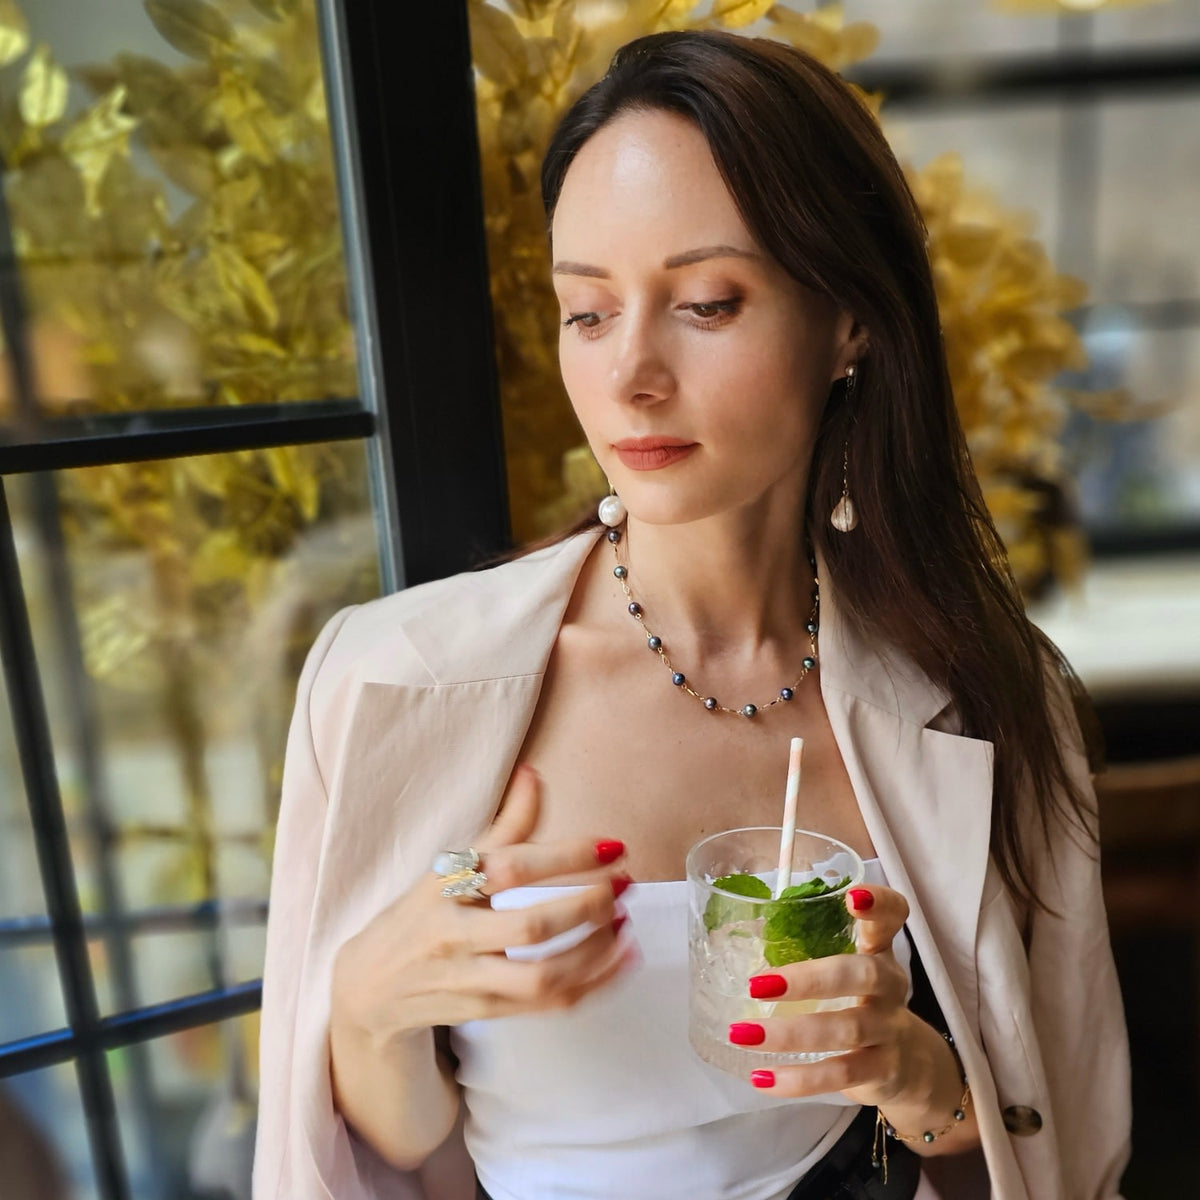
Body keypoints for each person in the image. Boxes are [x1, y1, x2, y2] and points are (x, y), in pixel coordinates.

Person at [252, 30, 1130, 1200]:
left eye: (708, 303)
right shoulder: (393, 680)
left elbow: (1069, 1150)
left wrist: (923, 1084)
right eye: (587, 312)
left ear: (851, 322)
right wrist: (368, 1011)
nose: (631, 376)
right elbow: (371, 1162)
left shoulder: (991, 700)